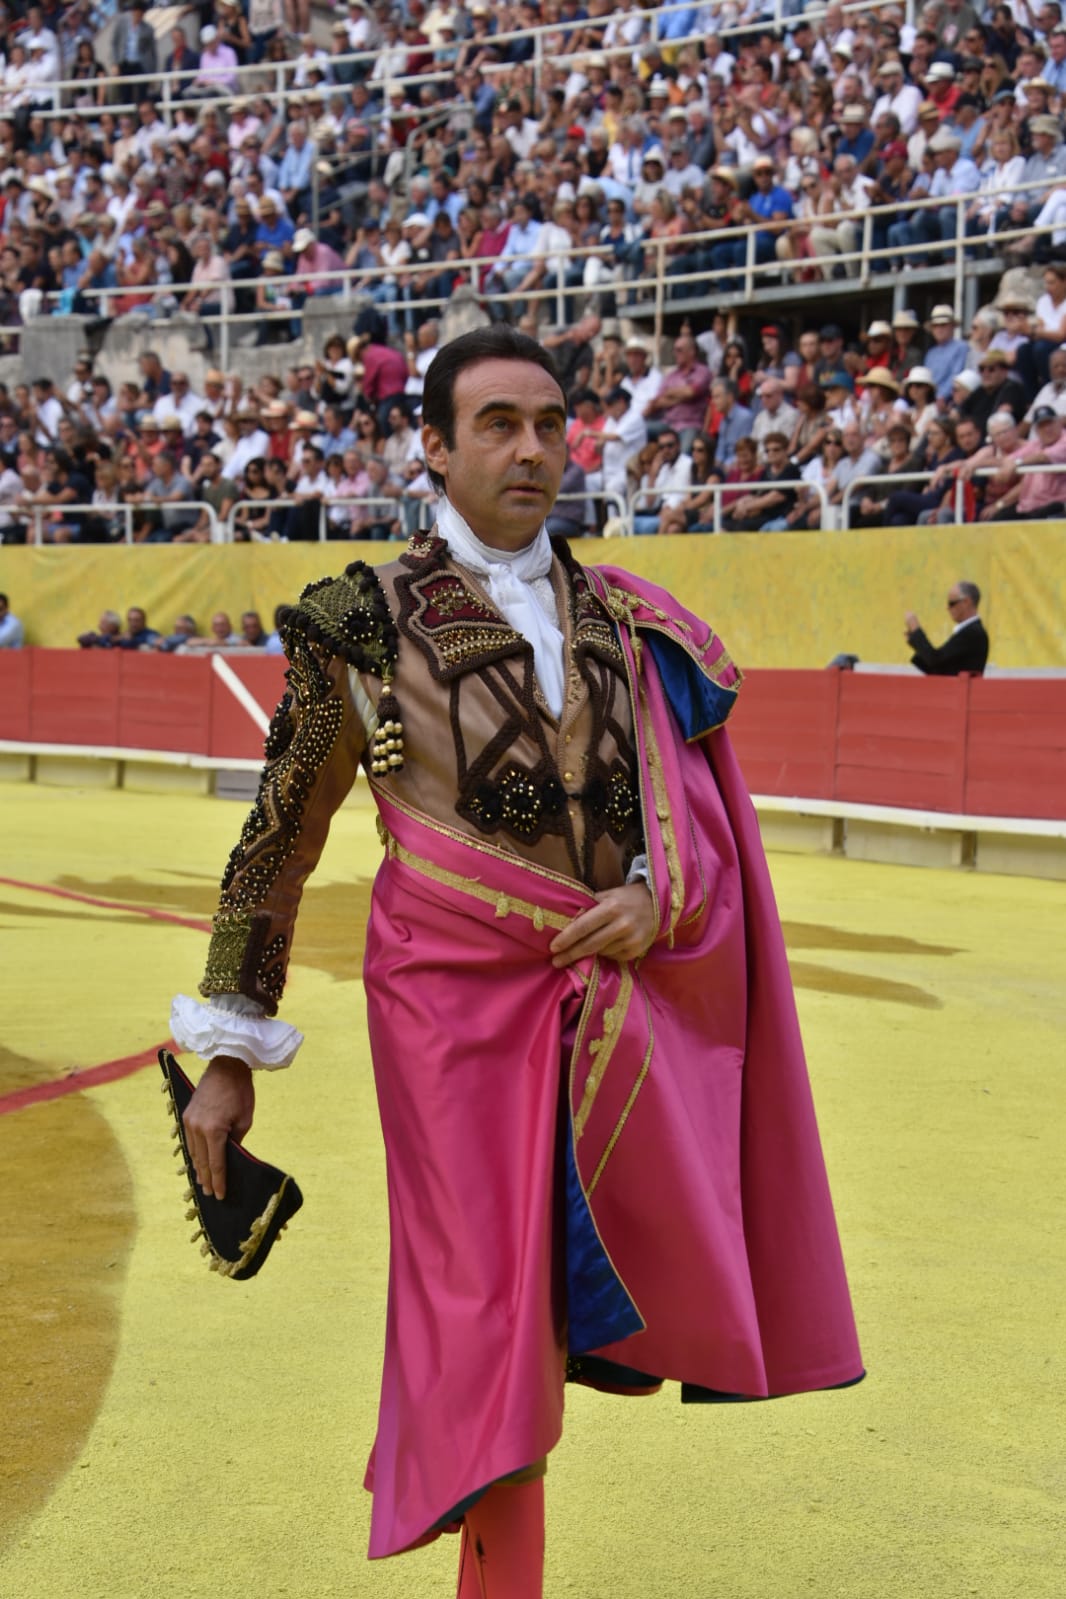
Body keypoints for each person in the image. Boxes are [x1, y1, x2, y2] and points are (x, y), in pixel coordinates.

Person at [173, 326, 863, 1596]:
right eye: (497, 425)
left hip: (611, 1003)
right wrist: (227, 1053)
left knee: (543, 1309)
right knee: (486, 1314)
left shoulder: (630, 623)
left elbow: (695, 830)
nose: (532, 449)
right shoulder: (359, 623)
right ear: (432, 446)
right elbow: (279, 837)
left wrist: (659, 899)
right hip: (445, 1009)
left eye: (550, 424)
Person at [905, 580, 989, 675]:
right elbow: (939, 669)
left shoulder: (973, 633)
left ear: (966, 602)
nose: (948, 608)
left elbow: (935, 660)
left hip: (963, 689)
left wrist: (917, 632)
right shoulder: (971, 631)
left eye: (952, 603)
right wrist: (915, 641)